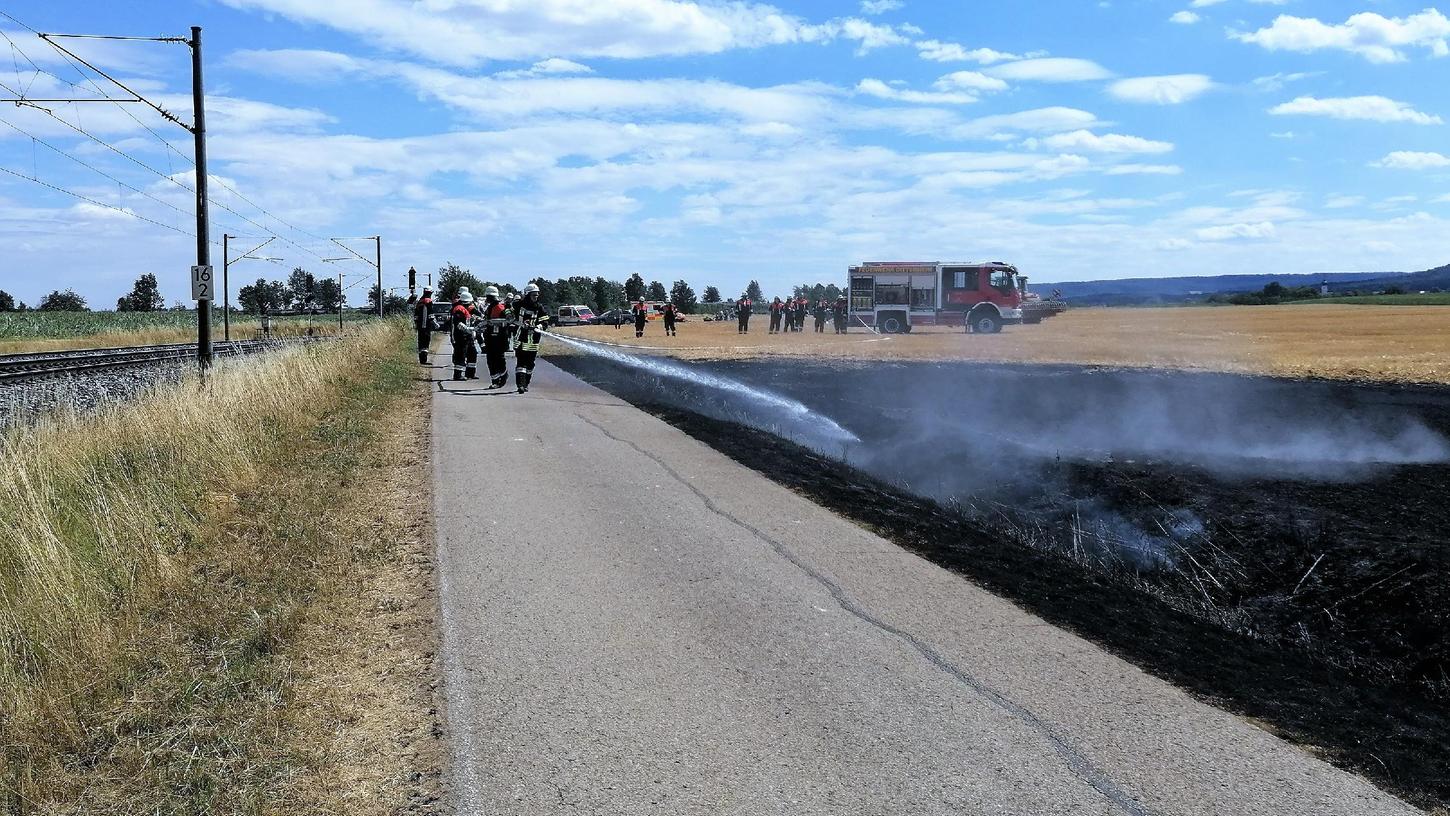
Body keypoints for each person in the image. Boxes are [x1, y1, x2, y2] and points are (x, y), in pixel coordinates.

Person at [511, 283, 550, 393]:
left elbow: (545, 321)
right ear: (527, 295)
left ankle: (526, 384)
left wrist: (538, 326)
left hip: (533, 340)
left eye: (537, 295)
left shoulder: (539, 307)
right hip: (520, 338)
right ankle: (520, 385)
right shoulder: (518, 304)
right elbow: (507, 309)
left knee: (530, 364)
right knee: (520, 363)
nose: (536, 297)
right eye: (534, 295)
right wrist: (510, 316)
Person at [479, 285, 510, 389]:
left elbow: (508, 321)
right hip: (490, 338)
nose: (486, 299)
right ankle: (495, 380)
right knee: (490, 360)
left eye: (488, 297)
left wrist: (496, 323)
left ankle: (503, 375)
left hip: (499, 338)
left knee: (499, 359)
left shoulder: (501, 308)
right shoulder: (489, 308)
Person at [448, 288, 477, 381]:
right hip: (460, 336)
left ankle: (470, 373)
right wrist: (468, 329)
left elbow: (468, 319)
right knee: (460, 354)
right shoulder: (459, 309)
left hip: (467, 336)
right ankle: (457, 375)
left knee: (472, 353)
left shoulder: (464, 309)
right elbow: (458, 323)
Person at [412, 287, 434, 364]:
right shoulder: (428, 301)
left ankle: (421, 359)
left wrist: (416, 324)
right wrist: (434, 323)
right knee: (426, 341)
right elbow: (431, 315)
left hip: (419, 326)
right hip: (426, 325)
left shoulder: (419, 302)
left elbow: (416, 315)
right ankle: (424, 359)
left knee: (420, 342)